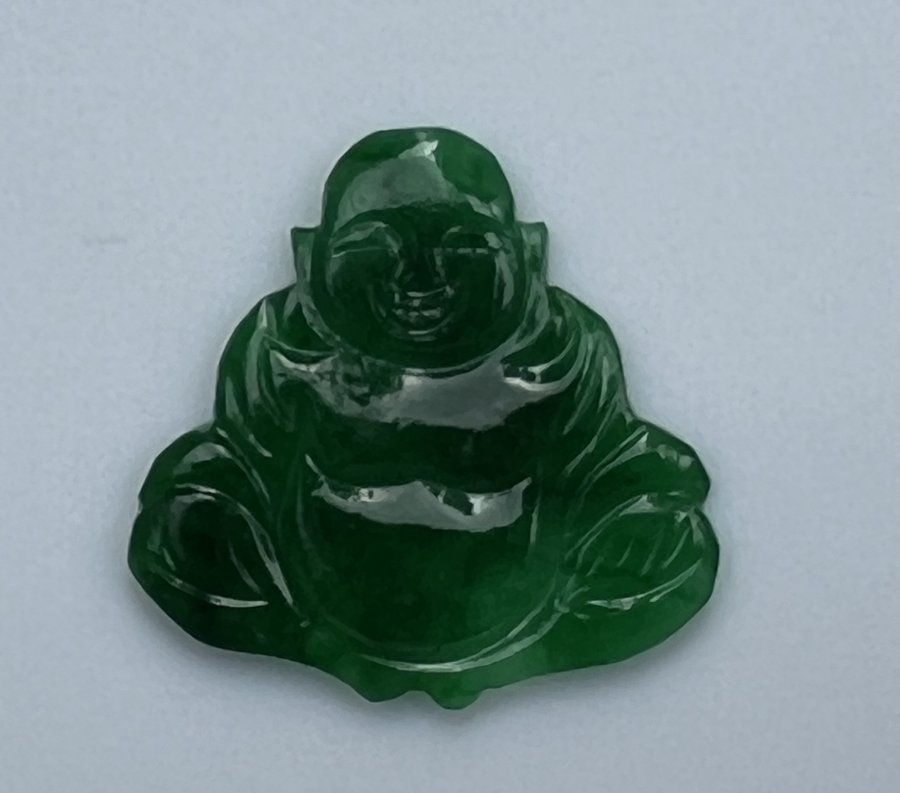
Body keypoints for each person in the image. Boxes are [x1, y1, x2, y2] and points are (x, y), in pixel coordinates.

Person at [129, 128, 718, 707]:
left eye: (464, 248)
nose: (419, 282)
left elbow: (614, 460)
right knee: (178, 536)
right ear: (308, 258)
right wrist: (197, 492)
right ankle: (317, 643)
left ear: (530, 252)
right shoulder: (285, 348)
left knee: (673, 546)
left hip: (526, 609)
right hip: (311, 603)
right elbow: (239, 460)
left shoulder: (562, 350)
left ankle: (509, 659)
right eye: (373, 249)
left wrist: (655, 487)